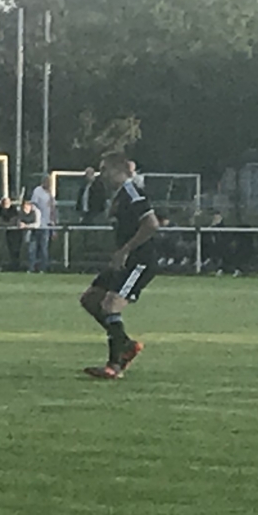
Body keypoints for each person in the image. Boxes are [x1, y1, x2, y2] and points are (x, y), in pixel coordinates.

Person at [77, 153, 158, 381]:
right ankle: (126, 344)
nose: (101, 175)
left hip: (139, 261)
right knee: (91, 299)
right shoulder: (118, 195)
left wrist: (126, 249)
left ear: (117, 170)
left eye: (104, 170)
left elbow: (151, 224)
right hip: (125, 260)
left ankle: (114, 365)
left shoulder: (131, 192)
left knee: (111, 305)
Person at [27, 176, 56, 272]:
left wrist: (53, 227)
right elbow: (33, 205)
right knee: (33, 248)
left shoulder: (50, 194)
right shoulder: (37, 191)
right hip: (37, 225)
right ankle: (31, 268)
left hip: (46, 225)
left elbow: (52, 210)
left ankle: (43, 268)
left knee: (44, 249)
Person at [0, 194, 23, 270]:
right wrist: (6, 224)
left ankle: (16, 265)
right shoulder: (0, 210)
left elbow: (13, 221)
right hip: (7, 233)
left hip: (16, 233)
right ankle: (10, 264)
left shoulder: (13, 210)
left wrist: (5, 224)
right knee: (9, 249)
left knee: (16, 249)